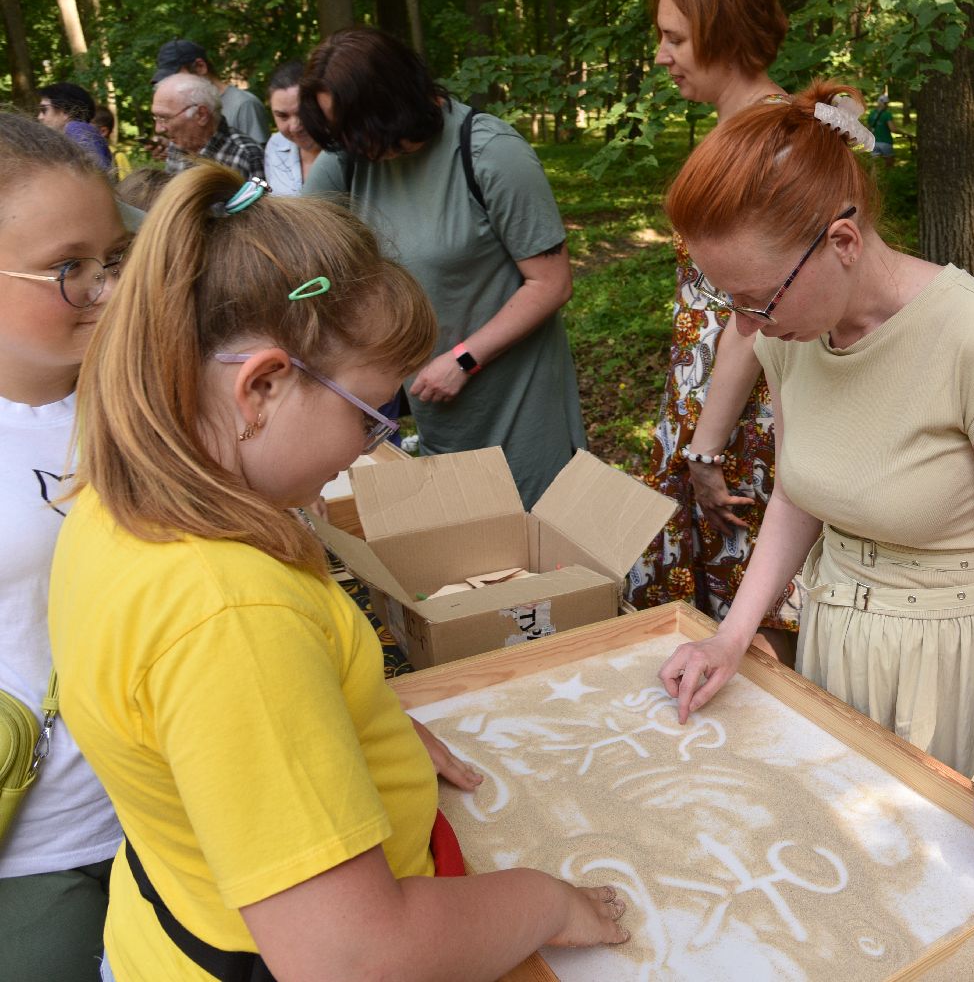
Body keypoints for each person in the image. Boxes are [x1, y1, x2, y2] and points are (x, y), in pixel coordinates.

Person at [50, 165, 630, 981]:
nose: (378, 444)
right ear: (262, 388)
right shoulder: (232, 619)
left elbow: (221, 741)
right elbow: (353, 959)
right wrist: (546, 902)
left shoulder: (119, 500)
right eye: (372, 416)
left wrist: (352, 727)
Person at [656, 81, 974, 883]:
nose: (744, 327)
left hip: (956, 668)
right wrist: (732, 634)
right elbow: (799, 493)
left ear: (843, 243)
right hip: (841, 643)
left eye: (756, 298)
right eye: (727, 300)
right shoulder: (788, 333)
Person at [300, 27, 585, 509]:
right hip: (427, 402)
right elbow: (304, 268)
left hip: (512, 394)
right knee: (458, 550)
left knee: (534, 539)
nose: (346, 142)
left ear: (393, 103)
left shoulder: (490, 152)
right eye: (338, 131)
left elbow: (551, 283)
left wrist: (463, 359)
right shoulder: (346, 163)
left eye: (354, 126)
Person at [625, 0, 799, 658]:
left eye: (674, 38)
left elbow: (757, 318)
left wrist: (708, 447)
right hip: (704, 417)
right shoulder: (733, 129)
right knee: (704, 623)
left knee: (755, 625)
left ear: (723, 31)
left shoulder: (780, 143)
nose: (661, 55)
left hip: (745, 425)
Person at [0, 112, 127, 982]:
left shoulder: (145, 397)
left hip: (174, 812)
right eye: (69, 269)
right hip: (35, 851)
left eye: (114, 260)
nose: (109, 290)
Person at [151, 38, 269, 143]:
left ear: (200, 67)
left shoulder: (244, 104)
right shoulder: (187, 106)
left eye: (176, 77)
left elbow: (257, 161)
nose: (170, 84)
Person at [153, 72, 265, 181]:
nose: (158, 129)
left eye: (164, 118)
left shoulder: (247, 156)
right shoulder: (177, 147)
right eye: (156, 117)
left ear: (201, 115)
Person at [263, 60, 321, 196]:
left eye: (303, 113)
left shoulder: (347, 148)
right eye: (282, 116)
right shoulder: (275, 146)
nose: (295, 126)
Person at [36, 82, 112, 171]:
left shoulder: (76, 128)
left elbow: (96, 172)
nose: (39, 117)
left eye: (44, 110)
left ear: (65, 111)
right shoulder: (73, 134)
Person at [90, 108, 132, 180]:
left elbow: (129, 186)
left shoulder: (117, 156)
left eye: (87, 127)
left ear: (103, 131)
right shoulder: (81, 153)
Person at [867, 94, 895, 161]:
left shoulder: (871, 114)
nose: (887, 105)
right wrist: (905, 133)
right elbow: (893, 129)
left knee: (875, 165)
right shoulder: (887, 114)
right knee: (889, 164)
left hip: (874, 143)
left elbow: (868, 129)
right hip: (886, 142)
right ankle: (888, 171)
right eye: (886, 103)